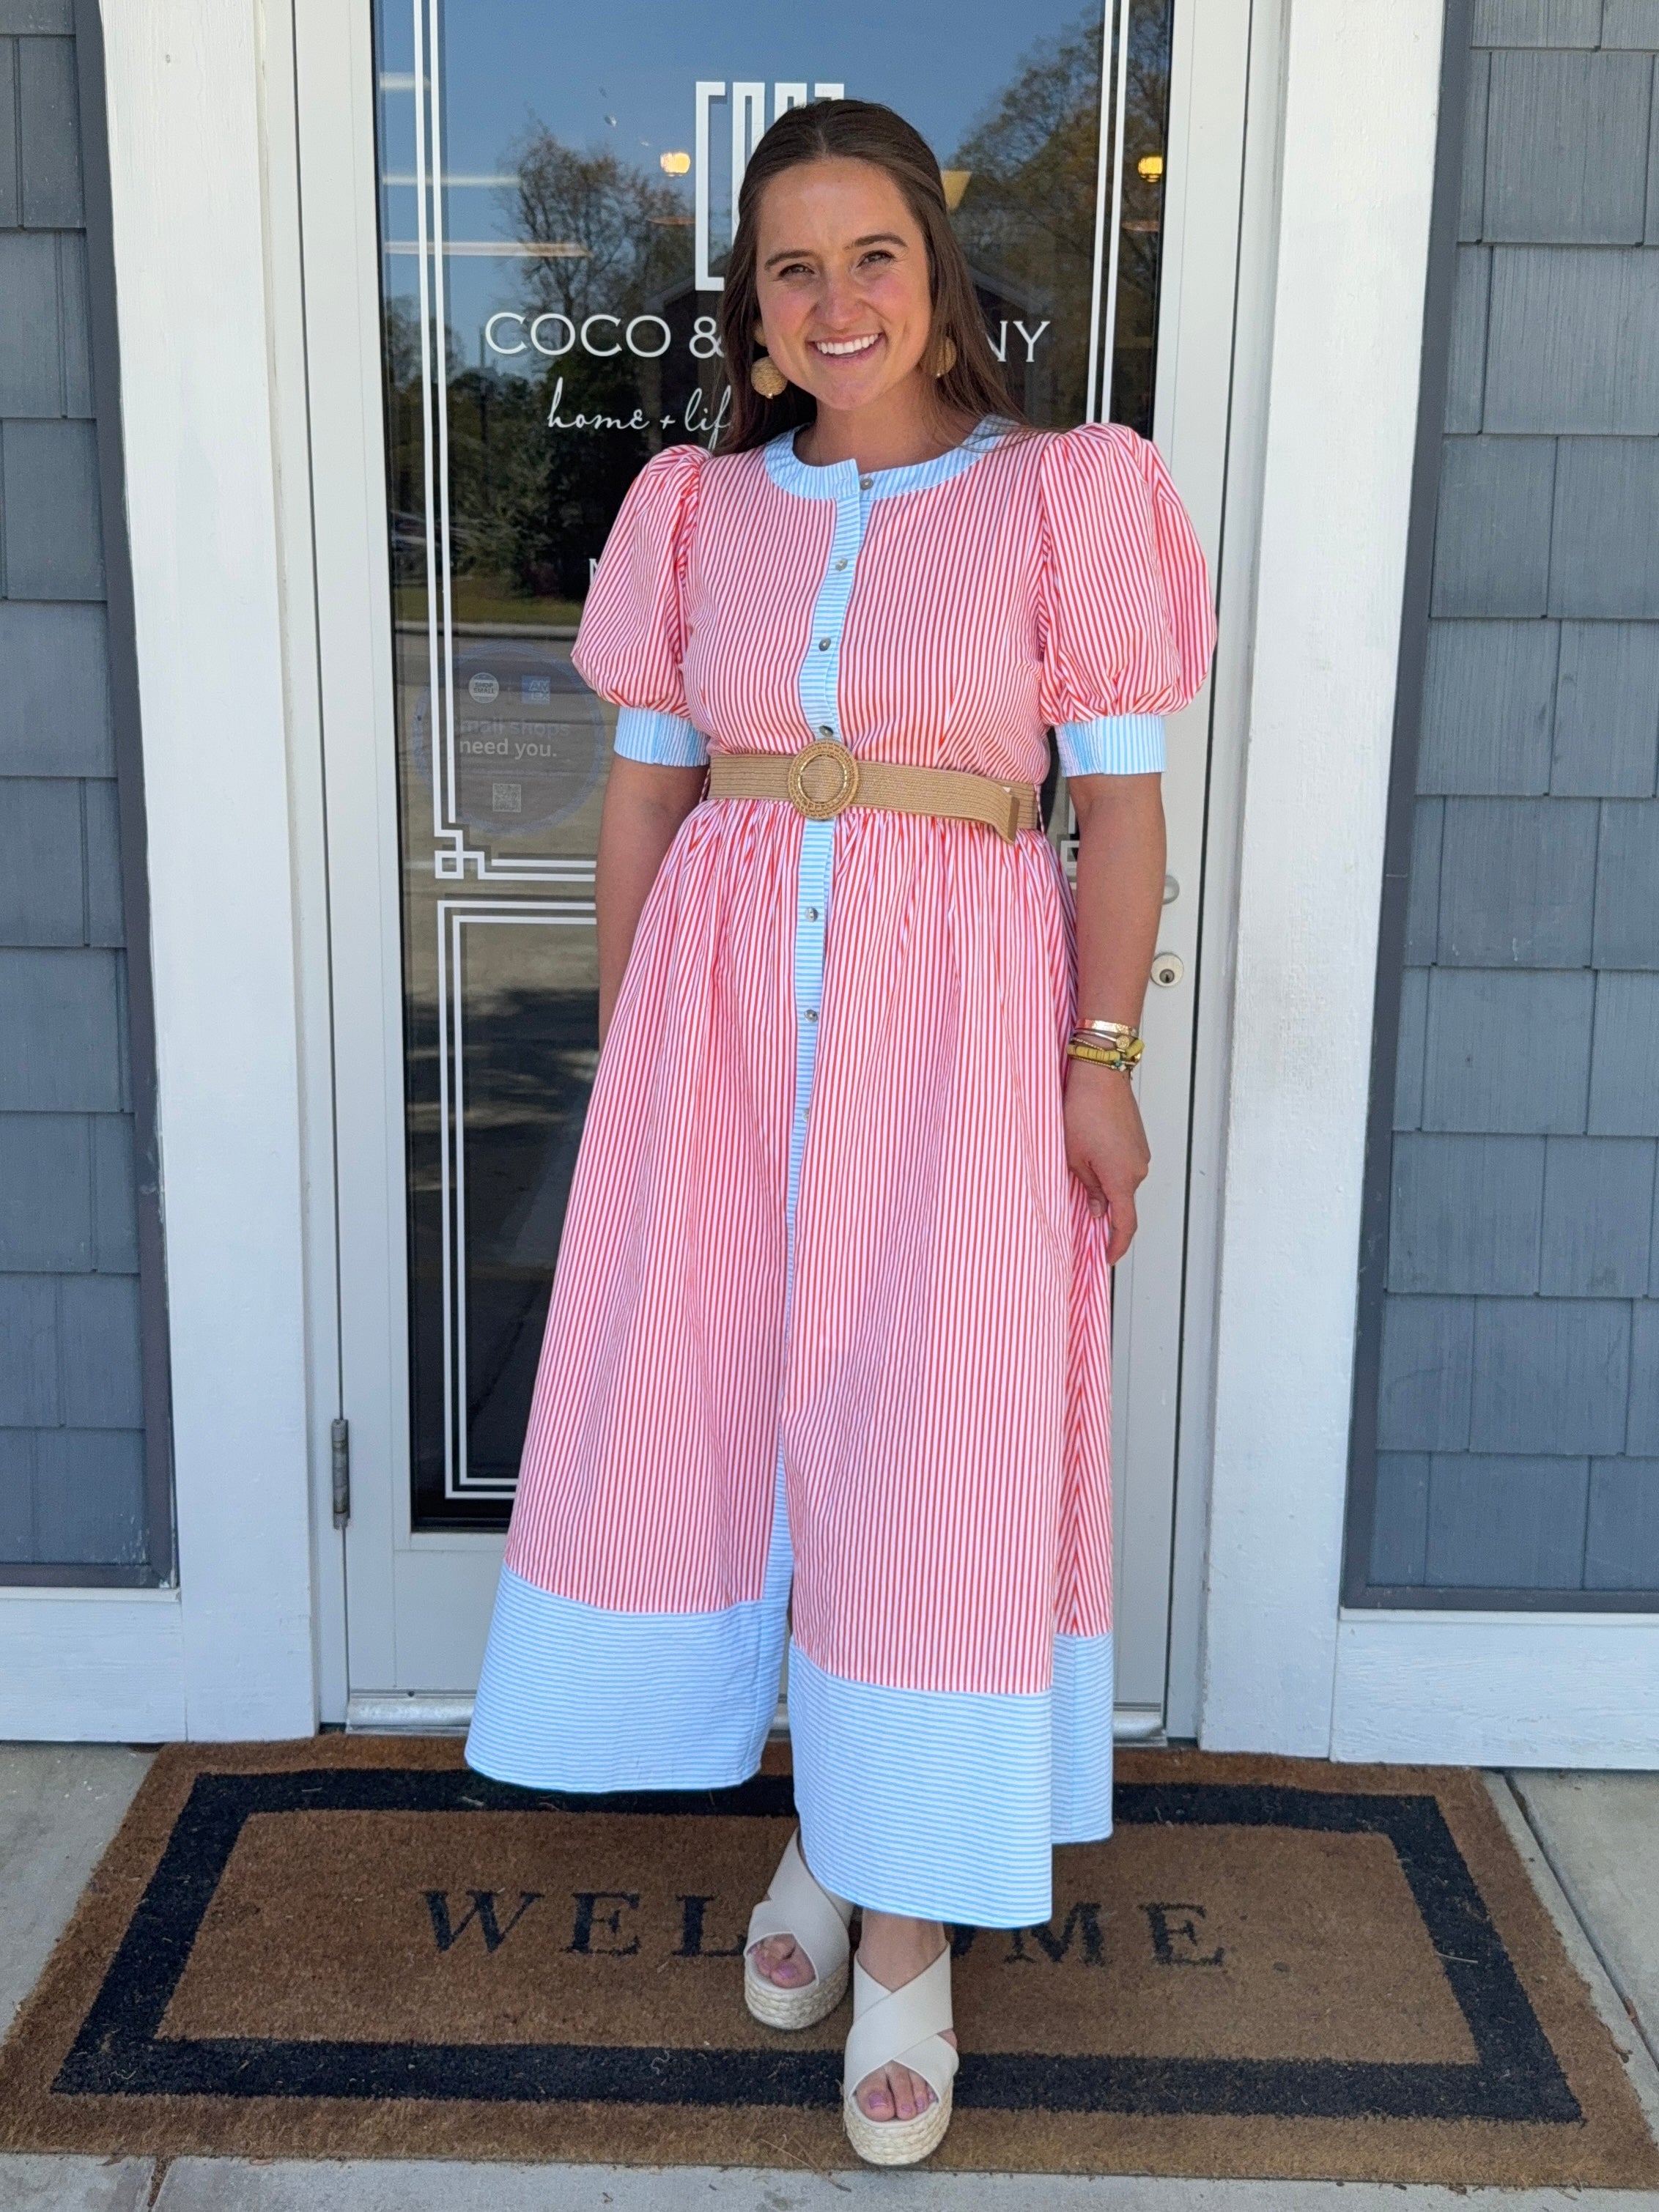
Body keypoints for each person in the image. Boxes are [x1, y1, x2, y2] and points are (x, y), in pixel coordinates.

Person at [466, 96, 1213, 2167]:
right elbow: (645, 797)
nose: (837, 299)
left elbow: (1124, 810)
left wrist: (1104, 1054)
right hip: (719, 1041)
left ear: (939, 272)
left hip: (966, 1039)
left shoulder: (1064, 496)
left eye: (871, 254)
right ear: (755, 313)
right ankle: (828, 1817)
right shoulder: (696, 514)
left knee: (924, 1454)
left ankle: (907, 1921)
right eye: (792, 268)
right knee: (738, 1425)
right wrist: (638, 1054)